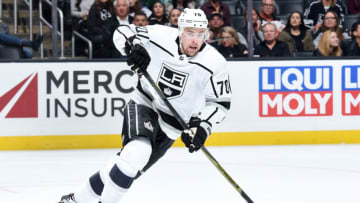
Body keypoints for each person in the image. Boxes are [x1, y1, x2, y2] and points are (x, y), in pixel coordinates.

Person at [58, 8, 231, 203]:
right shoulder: (160, 35)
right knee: (136, 153)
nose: (195, 40)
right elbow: (122, 32)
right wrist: (133, 47)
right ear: (180, 30)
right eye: (190, 33)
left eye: (200, 34)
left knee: (124, 168)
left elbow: (220, 103)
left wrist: (203, 127)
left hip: (173, 127)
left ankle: (75, 200)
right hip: (145, 102)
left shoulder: (215, 63)